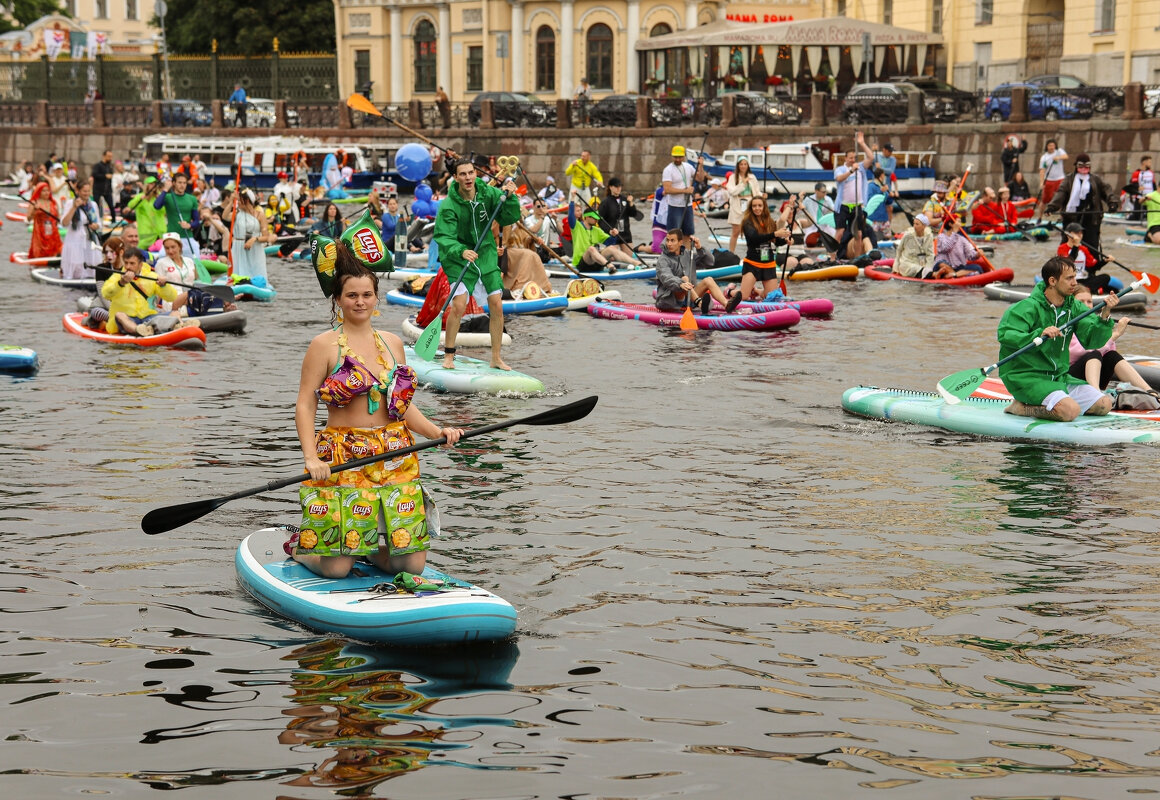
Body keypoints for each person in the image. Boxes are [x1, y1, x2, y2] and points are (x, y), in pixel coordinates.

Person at [291, 244, 464, 580]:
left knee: (412, 565)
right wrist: (312, 458)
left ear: (376, 298)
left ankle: (367, 548)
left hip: (395, 453)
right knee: (337, 569)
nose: (360, 301)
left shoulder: (392, 343)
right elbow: (305, 403)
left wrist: (436, 432)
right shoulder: (323, 345)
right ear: (338, 300)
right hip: (344, 455)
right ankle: (301, 548)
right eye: (352, 295)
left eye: (367, 294)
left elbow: (402, 406)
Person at [998, 256, 1119, 421]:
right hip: (1027, 378)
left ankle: (1058, 403)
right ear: (1053, 281)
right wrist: (1039, 334)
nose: (1075, 283)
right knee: (1070, 411)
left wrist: (1104, 316)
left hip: (1059, 377)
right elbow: (1006, 336)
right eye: (1069, 278)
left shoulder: (1074, 306)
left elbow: (1092, 341)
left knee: (1104, 404)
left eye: (1075, 277)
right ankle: (1021, 408)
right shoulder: (1025, 308)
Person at [432, 157, 522, 371]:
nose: (468, 177)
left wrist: (509, 196)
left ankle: (496, 358)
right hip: (458, 257)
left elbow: (509, 216)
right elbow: (444, 236)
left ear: (475, 173)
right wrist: (461, 251)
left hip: (486, 253)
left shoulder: (487, 193)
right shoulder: (449, 205)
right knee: (459, 306)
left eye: (471, 172)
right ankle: (449, 356)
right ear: (455, 178)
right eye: (463, 174)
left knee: (497, 305)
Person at [1068, 284, 1153, 393]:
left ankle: (1149, 391)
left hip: (1092, 377)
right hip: (1070, 380)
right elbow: (1084, 350)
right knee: (1094, 354)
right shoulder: (1067, 324)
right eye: (1081, 302)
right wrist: (1116, 334)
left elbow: (1109, 351)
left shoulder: (1095, 323)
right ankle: (1095, 395)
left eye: (1089, 302)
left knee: (1112, 356)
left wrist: (1105, 318)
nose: (1086, 305)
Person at [100, 248, 195, 337]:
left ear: (140, 264)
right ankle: (138, 330)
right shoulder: (117, 277)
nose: (128, 267)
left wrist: (163, 286)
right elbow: (105, 294)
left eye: (132, 263)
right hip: (127, 320)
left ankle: (180, 326)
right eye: (126, 263)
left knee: (175, 313)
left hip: (147, 318)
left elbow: (171, 297)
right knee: (119, 315)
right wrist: (121, 283)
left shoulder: (152, 276)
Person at [1045, 152, 1116, 254]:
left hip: (1091, 218)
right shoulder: (1069, 179)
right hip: (1071, 218)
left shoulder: (1096, 179)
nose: (1084, 168)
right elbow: (1061, 194)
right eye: (1081, 166)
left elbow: (1107, 191)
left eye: (1086, 166)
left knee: (1091, 247)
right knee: (1068, 243)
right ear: (1076, 166)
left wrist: (1112, 204)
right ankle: (1064, 266)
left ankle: (1091, 268)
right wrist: (1051, 207)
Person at [654, 228, 737, 314]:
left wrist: (700, 248)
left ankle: (727, 305)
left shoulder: (688, 254)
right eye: (667, 240)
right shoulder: (662, 259)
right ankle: (701, 304)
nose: (669, 244)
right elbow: (666, 277)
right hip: (670, 301)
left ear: (680, 242)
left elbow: (710, 262)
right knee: (685, 279)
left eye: (672, 241)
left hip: (689, 298)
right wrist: (681, 284)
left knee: (709, 280)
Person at [738, 195, 796, 302]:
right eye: (754, 206)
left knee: (772, 298)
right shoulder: (747, 222)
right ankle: (729, 292)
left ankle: (757, 291)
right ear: (751, 208)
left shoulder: (769, 221)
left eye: (760, 205)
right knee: (744, 297)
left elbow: (776, 241)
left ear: (764, 207)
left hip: (768, 264)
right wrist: (775, 233)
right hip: (752, 264)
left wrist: (785, 241)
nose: (757, 208)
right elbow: (754, 238)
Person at [833, 131, 876, 259]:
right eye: (850, 158)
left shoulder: (861, 168)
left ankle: (857, 259)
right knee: (840, 232)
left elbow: (871, 157)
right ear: (846, 158)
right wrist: (851, 170)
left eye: (854, 158)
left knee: (859, 234)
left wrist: (862, 143)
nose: (853, 160)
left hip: (857, 206)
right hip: (843, 206)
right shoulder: (841, 169)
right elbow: (839, 179)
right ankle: (833, 257)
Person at [59, 179, 101, 280]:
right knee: (76, 262)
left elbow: (99, 223)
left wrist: (96, 226)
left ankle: (90, 278)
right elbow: (64, 223)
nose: (86, 193)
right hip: (75, 237)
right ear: (78, 191)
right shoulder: (70, 203)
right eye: (84, 191)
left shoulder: (93, 205)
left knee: (92, 261)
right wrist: (74, 207)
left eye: (88, 191)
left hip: (90, 237)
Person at [231, 188, 275, 284]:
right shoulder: (237, 213)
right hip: (239, 247)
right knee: (238, 272)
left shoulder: (260, 215)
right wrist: (231, 200)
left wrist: (254, 239)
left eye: (239, 200)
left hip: (255, 248)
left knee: (255, 272)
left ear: (246, 201)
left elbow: (266, 237)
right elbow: (225, 216)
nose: (237, 203)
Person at [153, 172, 201, 258]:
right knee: (161, 258)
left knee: (195, 262)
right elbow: (156, 206)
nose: (182, 185)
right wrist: (165, 189)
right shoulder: (168, 197)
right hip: (171, 236)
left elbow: (197, 221)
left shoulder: (192, 199)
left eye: (184, 183)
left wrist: (189, 225)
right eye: (179, 182)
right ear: (174, 183)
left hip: (187, 237)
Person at [662, 144, 706, 237]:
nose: (677, 159)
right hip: (674, 206)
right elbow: (667, 189)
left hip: (688, 205)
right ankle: (673, 251)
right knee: (673, 234)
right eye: (675, 157)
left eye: (680, 157)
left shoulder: (688, 166)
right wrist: (685, 191)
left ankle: (686, 251)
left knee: (688, 234)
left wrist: (701, 166)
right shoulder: (668, 170)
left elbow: (700, 178)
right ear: (672, 156)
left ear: (684, 157)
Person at [572, 208, 639, 269]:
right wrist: (572, 198)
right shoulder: (577, 226)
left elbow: (610, 242)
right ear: (586, 217)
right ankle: (609, 266)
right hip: (582, 264)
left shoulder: (596, 230)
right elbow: (570, 217)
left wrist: (613, 235)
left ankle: (636, 263)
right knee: (591, 248)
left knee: (611, 248)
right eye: (594, 218)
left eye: (597, 218)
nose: (597, 220)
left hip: (596, 263)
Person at [1057, 221, 1111, 294]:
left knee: (1106, 277)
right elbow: (1068, 263)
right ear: (1068, 234)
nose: (1080, 235)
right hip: (1070, 281)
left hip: (1084, 280)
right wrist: (1075, 246)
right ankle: (1091, 291)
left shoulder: (1083, 249)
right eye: (1076, 233)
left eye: (1081, 233)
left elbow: (1093, 267)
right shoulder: (1062, 248)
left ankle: (1087, 290)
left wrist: (1105, 261)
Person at [597, 178, 645, 257]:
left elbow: (633, 213)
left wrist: (631, 203)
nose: (619, 188)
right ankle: (602, 252)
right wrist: (609, 230)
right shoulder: (605, 202)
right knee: (612, 257)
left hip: (625, 234)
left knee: (630, 257)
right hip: (613, 234)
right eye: (616, 186)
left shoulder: (625, 199)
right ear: (610, 187)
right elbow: (600, 221)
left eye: (620, 186)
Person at [725, 157, 762, 253]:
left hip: (750, 204)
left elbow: (757, 191)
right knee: (735, 232)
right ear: (738, 166)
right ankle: (731, 253)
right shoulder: (733, 177)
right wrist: (743, 184)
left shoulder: (752, 177)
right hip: (737, 205)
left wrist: (762, 197)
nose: (743, 166)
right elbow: (732, 192)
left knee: (752, 231)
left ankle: (752, 253)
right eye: (741, 164)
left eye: (745, 164)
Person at [125, 176, 167, 249]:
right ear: (147, 185)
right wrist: (140, 199)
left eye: (155, 184)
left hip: (159, 233)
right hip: (146, 234)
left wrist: (159, 199)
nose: (154, 186)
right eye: (151, 184)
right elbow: (130, 205)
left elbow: (164, 211)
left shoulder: (159, 197)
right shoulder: (140, 196)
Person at [28, 175, 62, 259]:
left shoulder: (53, 203)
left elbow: (58, 218)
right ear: (39, 192)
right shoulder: (34, 202)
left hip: (52, 232)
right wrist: (34, 211)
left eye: (48, 191)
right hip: (40, 233)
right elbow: (28, 218)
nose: (47, 193)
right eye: (44, 191)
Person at [893, 213, 935, 278]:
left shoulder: (929, 236)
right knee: (914, 269)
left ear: (924, 226)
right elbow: (899, 250)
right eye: (914, 224)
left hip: (921, 263)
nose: (914, 226)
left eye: (917, 224)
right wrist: (896, 267)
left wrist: (929, 268)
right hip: (907, 264)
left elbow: (930, 254)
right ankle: (930, 274)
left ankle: (929, 273)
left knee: (928, 267)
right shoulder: (908, 235)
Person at [1034, 139, 1068, 220]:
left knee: (1062, 197)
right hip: (1049, 180)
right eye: (1050, 146)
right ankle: (1040, 217)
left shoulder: (1059, 151)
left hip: (1060, 179)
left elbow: (1066, 156)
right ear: (1047, 147)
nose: (1051, 147)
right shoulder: (1044, 157)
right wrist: (1041, 182)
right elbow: (1042, 170)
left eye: (1053, 145)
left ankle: (1062, 216)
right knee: (1044, 200)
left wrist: (1058, 157)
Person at [801, 181, 836, 248]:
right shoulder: (808, 199)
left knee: (835, 236)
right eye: (823, 192)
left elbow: (833, 209)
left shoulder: (828, 199)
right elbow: (800, 208)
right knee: (808, 241)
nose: (825, 194)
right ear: (816, 191)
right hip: (812, 225)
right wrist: (800, 199)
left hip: (824, 225)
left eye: (826, 192)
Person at [91, 149, 115, 223]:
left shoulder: (109, 166)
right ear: (104, 156)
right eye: (108, 156)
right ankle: (95, 221)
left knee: (111, 206)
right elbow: (94, 175)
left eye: (111, 156)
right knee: (96, 206)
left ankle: (113, 221)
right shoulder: (98, 165)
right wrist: (105, 176)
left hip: (107, 190)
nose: (110, 158)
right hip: (98, 189)